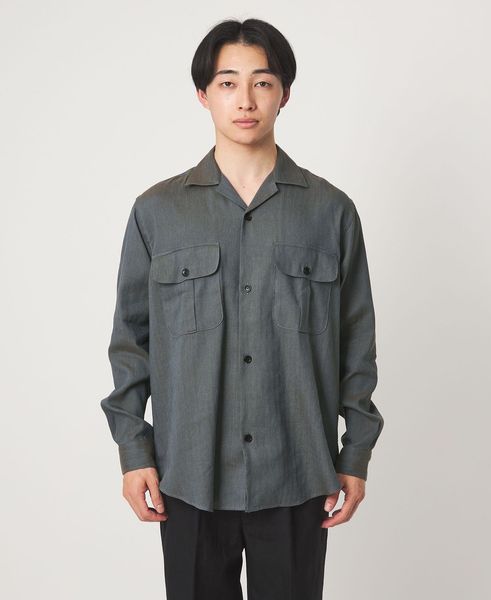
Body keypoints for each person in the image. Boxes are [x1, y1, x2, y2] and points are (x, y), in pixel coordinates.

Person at [100, 17, 384, 600]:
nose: (246, 100)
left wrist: (355, 453)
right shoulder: (157, 212)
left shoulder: (331, 212)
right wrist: (133, 450)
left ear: (285, 93)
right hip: (189, 475)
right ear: (203, 95)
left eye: (263, 82)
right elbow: (131, 340)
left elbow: (356, 342)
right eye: (228, 83)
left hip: (299, 473)